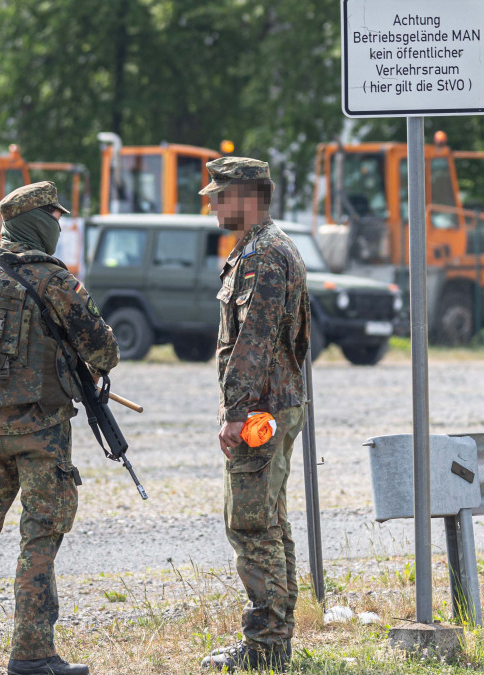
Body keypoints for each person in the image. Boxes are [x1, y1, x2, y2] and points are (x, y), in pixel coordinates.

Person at [0, 181, 119, 675]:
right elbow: (104, 348)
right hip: (42, 433)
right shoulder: (56, 280)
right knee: (39, 538)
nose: (59, 224)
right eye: (55, 216)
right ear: (36, 221)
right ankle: (32, 656)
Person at [200, 158, 310, 672]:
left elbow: (254, 342)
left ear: (246, 196)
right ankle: (277, 640)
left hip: (261, 412)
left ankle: (266, 647)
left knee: (249, 524)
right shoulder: (265, 247)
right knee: (271, 520)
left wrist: (236, 412)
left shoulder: (264, 255)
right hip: (277, 405)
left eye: (219, 194)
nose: (211, 202)